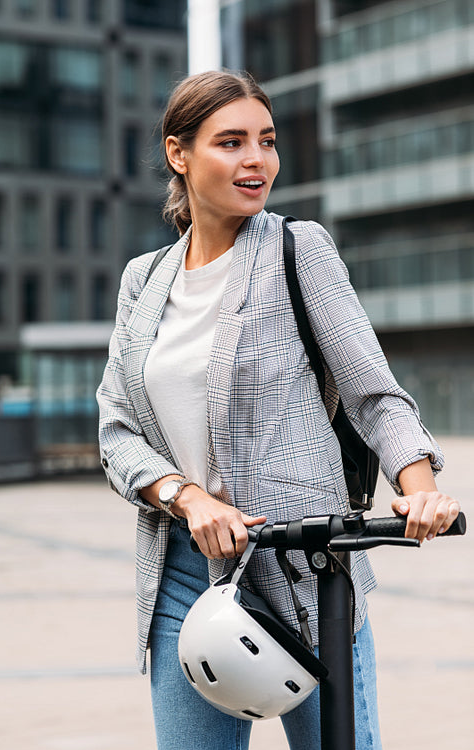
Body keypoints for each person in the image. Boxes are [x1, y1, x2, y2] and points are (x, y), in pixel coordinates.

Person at [96, 71, 460, 750]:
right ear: (180, 153)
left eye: (266, 141)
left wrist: (421, 490)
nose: (256, 159)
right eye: (231, 142)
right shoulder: (142, 281)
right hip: (182, 573)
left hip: (305, 568)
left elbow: (373, 393)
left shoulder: (298, 249)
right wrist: (188, 498)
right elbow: (117, 431)